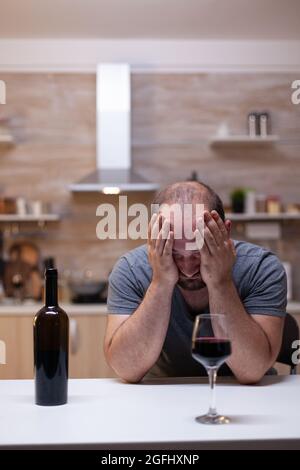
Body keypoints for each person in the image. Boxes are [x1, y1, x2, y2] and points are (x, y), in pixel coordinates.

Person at [104, 181, 287, 384]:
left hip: (245, 395)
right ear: (154, 237)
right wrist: (161, 281)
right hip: (161, 393)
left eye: (198, 254)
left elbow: (252, 370)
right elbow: (125, 368)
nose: (188, 270)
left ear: (223, 233)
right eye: (175, 255)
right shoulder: (131, 269)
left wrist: (220, 281)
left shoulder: (261, 267)